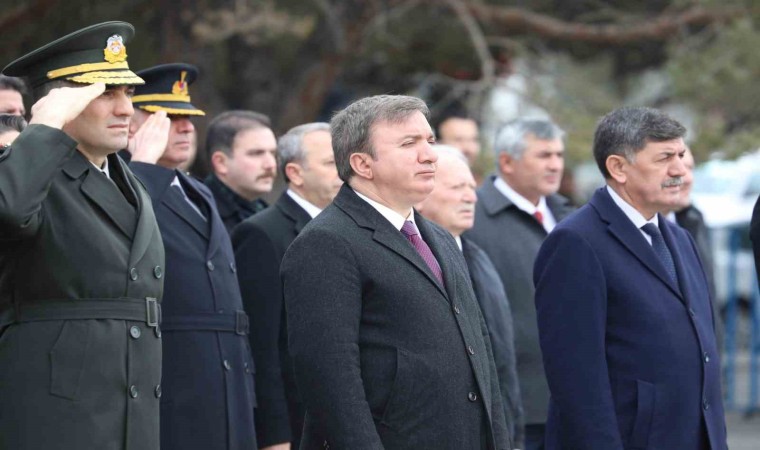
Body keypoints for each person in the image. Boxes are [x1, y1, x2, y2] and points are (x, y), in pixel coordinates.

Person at [280, 95, 510, 449]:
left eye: (429, 140)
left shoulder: (440, 238)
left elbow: (479, 354)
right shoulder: (326, 243)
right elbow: (330, 378)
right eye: (409, 143)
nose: (429, 155)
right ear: (362, 164)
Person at [0, 22, 165, 449]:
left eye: (127, 92)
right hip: (56, 416)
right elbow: (9, 211)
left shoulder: (128, 181)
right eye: (105, 93)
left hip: (129, 412)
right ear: (60, 102)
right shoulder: (25, 174)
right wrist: (45, 126)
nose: (126, 109)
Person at [534, 106, 727, 450]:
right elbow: (576, 381)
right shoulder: (576, 242)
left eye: (681, 155)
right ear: (618, 168)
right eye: (664, 158)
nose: (680, 169)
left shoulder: (679, 238)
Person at [126, 63, 257, 450]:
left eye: (189, 118)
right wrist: (141, 166)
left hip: (226, 376)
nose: (185, 128)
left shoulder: (197, 190)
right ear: (131, 125)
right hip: (176, 379)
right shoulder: (123, 187)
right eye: (168, 118)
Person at [231, 122, 341, 450]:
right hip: (297, 425)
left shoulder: (349, 229)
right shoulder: (262, 234)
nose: (343, 173)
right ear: (295, 173)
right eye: (331, 163)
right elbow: (261, 347)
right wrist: (275, 436)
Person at [465, 118, 573, 450]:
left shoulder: (570, 216)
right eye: (543, 155)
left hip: (574, 401)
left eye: (558, 155)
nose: (555, 165)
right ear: (507, 162)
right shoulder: (471, 219)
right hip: (516, 409)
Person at [416, 144, 524, 448]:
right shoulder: (411, 263)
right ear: (421, 194)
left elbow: (501, 357)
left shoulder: (478, 257)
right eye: (457, 188)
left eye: (471, 186)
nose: (471, 197)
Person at [665, 148, 722, 349]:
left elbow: (708, 302)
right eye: (679, 168)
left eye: (690, 168)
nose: (687, 178)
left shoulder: (693, 220)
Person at [205, 110, 277, 233]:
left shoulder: (265, 212)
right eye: (256, 153)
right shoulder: (200, 213)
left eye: (273, 153)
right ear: (221, 163)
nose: (270, 164)